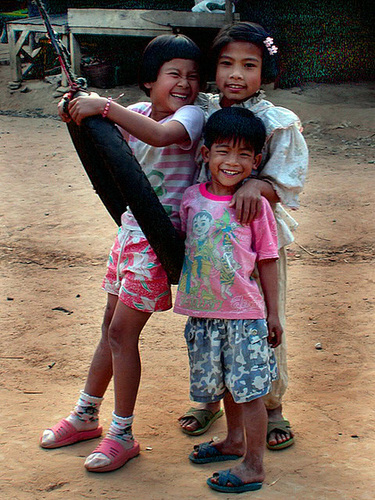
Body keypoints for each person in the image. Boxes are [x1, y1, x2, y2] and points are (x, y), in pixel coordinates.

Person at [39, 34, 205, 473]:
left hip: (158, 238)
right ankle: (86, 415)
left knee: (121, 334)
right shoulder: (139, 112)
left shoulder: (191, 117)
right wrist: (78, 113)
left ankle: (122, 433)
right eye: (174, 74)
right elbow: (104, 143)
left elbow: (161, 135)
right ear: (149, 81)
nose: (185, 83)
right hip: (130, 234)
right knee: (108, 329)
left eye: (192, 75)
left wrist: (104, 109)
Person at [178, 21, 309, 450]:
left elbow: (287, 182)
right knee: (212, 323)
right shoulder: (201, 109)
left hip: (258, 244)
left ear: (264, 72)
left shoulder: (277, 122)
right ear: (213, 69)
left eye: (249, 65)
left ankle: (271, 407)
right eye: (227, 63)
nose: (236, 74)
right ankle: (211, 400)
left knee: (263, 324)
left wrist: (258, 185)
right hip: (208, 239)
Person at [174, 107, 283, 493]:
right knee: (224, 386)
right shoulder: (190, 199)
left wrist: (273, 314)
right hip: (204, 316)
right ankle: (233, 440)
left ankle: (253, 464)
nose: (231, 162)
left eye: (243, 155)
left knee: (250, 391)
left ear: (255, 162)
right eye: (223, 151)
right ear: (205, 154)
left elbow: (268, 260)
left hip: (244, 316)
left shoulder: (256, 206)